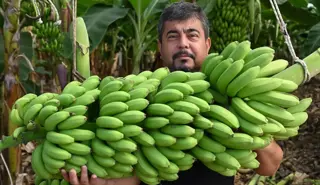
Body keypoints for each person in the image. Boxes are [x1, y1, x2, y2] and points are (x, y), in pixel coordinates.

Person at [61, 2, 284, 185]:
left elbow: (270, 165)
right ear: (160, 47)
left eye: (192, 35)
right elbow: (138, 172)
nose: (183, 44)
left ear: (207, 45)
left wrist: (239, 117)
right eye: (173, 36)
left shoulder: (232, 97)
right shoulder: (140, 97)